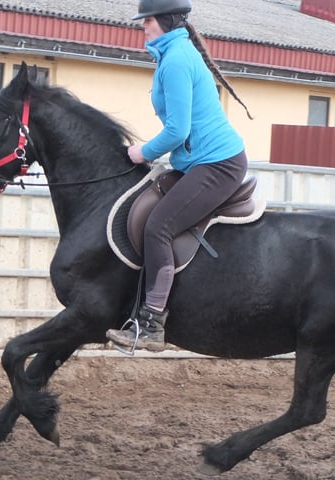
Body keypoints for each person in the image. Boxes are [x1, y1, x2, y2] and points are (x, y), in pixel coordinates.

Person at [106, 0, 253, 351]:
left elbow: (177, 130)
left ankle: (154, 323)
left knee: (160, 226)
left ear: (166, 21)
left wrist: (140, 152)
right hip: (195, 161)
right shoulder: (172, 55)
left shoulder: (175, 61)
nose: (143, 25)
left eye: (148, 19)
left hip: (218, 163)